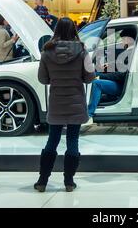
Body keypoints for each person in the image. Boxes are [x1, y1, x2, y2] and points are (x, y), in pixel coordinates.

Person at [35, 18, 95, 192]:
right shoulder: (82, 51)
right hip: (75, 103)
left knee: (52, 141)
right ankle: (69, 182)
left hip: (56, 103)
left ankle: (42, 181)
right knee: (73, 140)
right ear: (74, 30)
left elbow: (42, 79)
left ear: (56, 30)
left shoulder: (47, 52)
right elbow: (90, 77)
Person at [88, 29, 136, 118]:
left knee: (97, 83)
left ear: (129, 39)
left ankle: (89, 114)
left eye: (123, 39)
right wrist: (109, 65)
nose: (121, 41)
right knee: (95, 73)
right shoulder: (129, 51)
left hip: (120, 85)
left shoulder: (131, 52)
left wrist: (100, 76)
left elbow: (121, 75)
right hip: (119, 83)